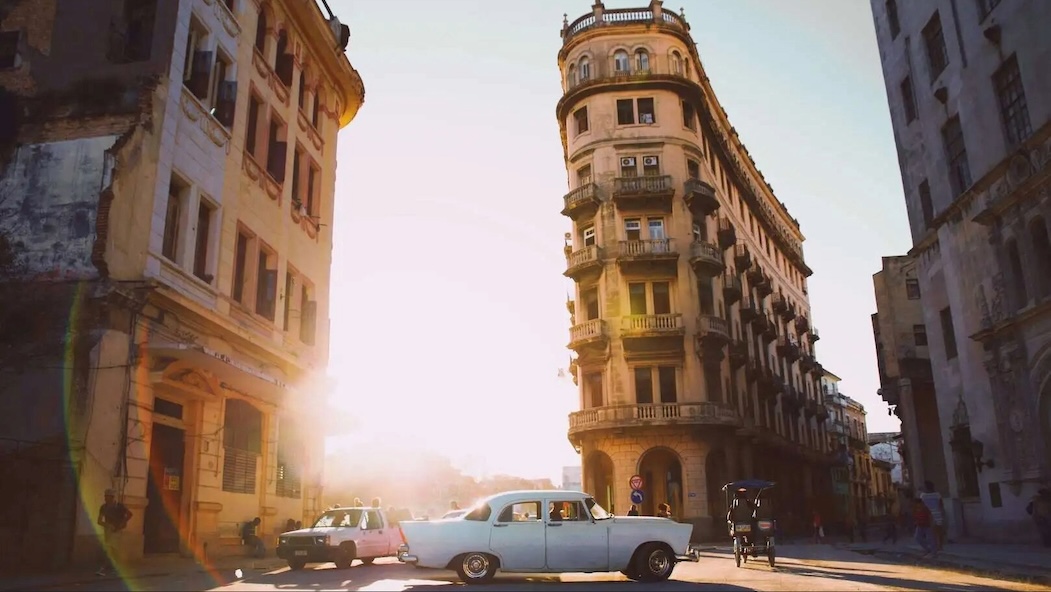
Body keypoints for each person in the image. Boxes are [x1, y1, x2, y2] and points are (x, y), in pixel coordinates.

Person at [96, 488, 133, 576]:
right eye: (105, 496)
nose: (105, 498)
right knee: (111, 549)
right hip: (108, 530)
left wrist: (122, 523)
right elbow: (99, 521)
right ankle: (113, 567)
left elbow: (130, 514)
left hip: (117, 530)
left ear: (112, 497)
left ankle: (105, 568)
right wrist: (107, 525)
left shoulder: (119, 506)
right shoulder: (103, 507)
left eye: (107, 496)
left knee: (113, 549)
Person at [919, 481, 946, 551]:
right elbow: (941, 505)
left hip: (929, 515)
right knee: (939, 531)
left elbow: (922, 506)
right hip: (937, 514)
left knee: (931, 532)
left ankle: (935, 546)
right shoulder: (937, 494)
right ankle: (940, 546)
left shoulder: (923, 496)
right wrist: (942, 513)